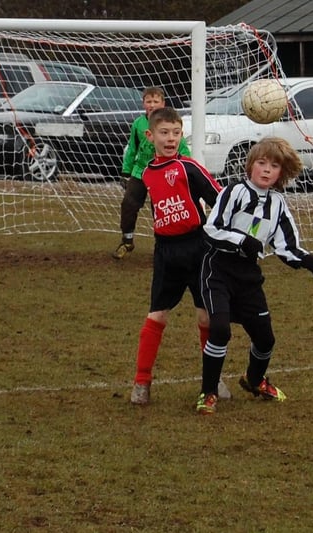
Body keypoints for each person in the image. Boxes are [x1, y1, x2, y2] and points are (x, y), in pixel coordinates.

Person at [196, 137, 313, 415]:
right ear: (250, 166)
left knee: (265, 339)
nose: (267, 170)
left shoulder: (278, 203)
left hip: (249, 277)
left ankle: (255, 380)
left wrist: (309, 261)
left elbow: (286, 246)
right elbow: (211, 229)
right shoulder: (233, 192)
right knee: (220, 330)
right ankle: (208, 393)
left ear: (281, 173)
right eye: (261, 163)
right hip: (218, 270)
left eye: (274, 165)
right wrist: (241, 240)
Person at [126, 106, 226, 406]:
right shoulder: (145, 174)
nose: (170, 139)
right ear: (150, 135)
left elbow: (219, 198)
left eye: (176, 133)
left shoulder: (189, 167)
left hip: (198, 248)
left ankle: (214, 379)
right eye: (164, 133)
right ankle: (141, 382)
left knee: (206, 316)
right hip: (166, 252)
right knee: (157, 314)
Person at [113, 87, 191, 259]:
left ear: (163, 104)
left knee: (162, 210)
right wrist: (126, 172)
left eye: (156, 101)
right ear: (144, 104)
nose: (152, 104)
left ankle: (163, 246)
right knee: (128, 205)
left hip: (163, 174)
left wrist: (186, 168)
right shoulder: (138, 124)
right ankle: (127, 240)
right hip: (140, 172)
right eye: (149, 101)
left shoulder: (167, 124)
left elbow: (183, 147)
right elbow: (132, 149)